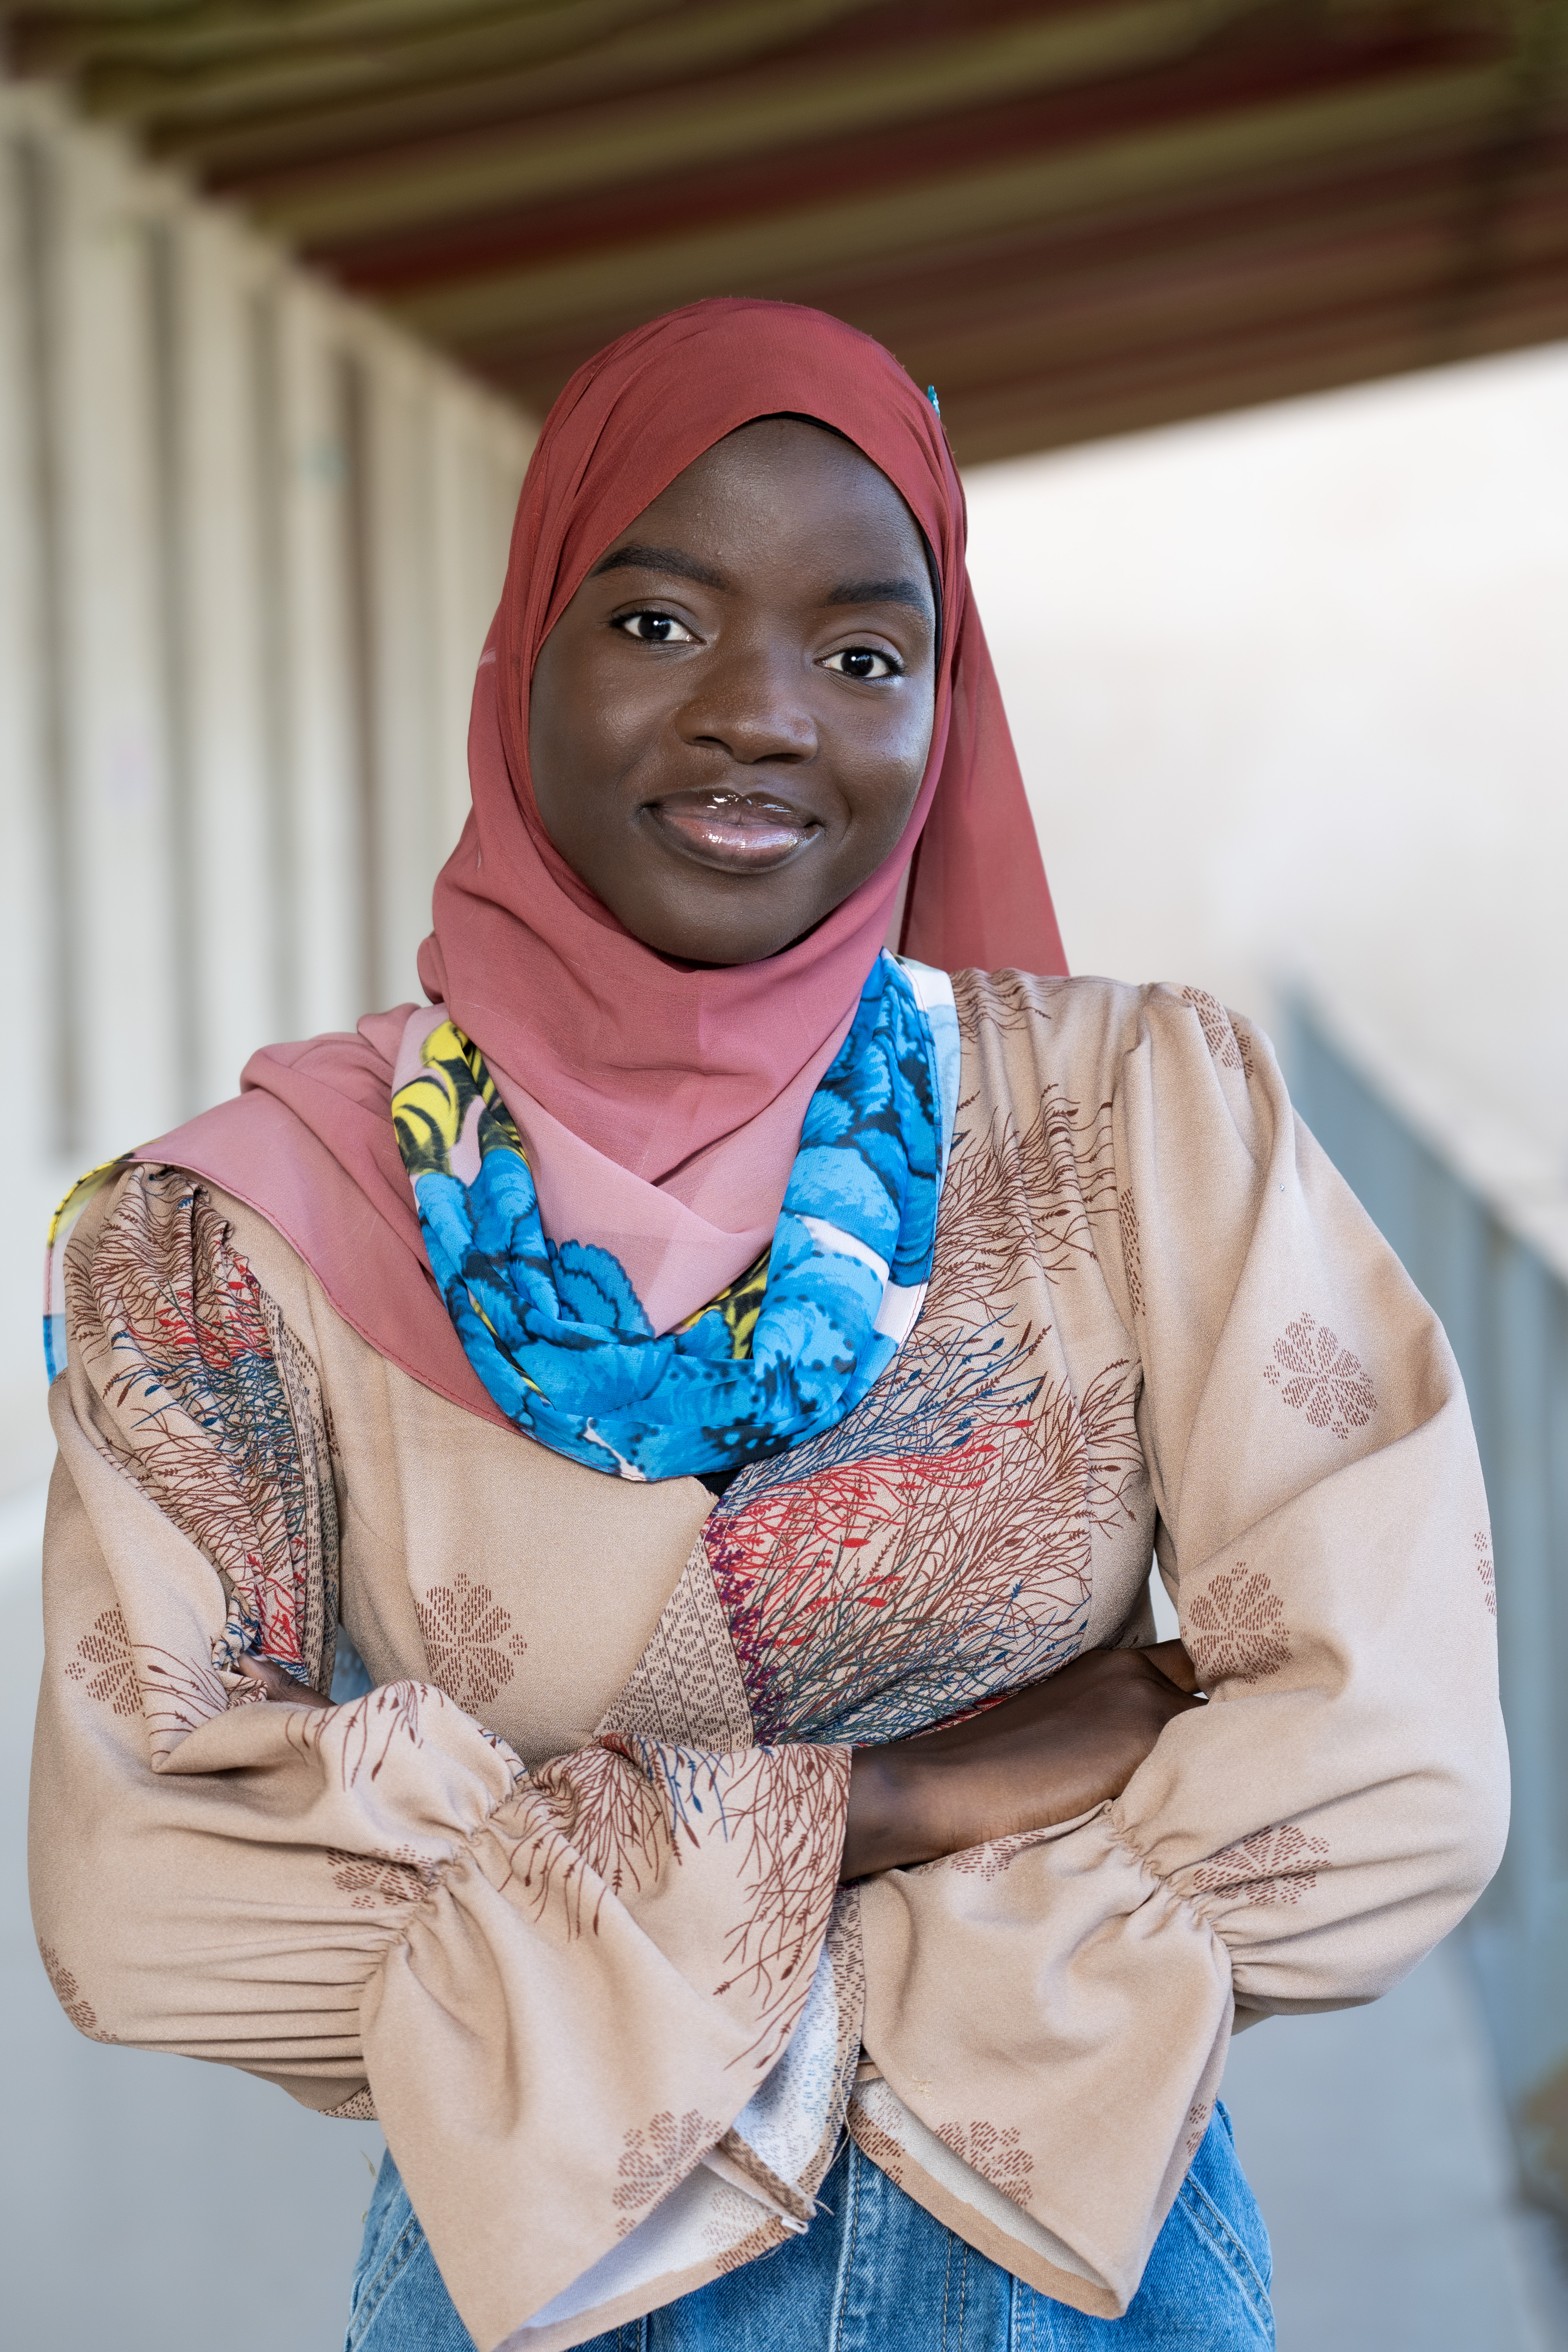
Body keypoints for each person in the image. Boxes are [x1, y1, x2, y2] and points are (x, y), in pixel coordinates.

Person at [30, 299, 1505, 2352]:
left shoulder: (1141, 1118)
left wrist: (570, 1905)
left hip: (1082, 2268)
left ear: (941, 711)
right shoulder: (242, 1230)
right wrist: (894, 1807)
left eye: (864, 653)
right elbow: (154, 1899)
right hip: (541, 2298)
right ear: (521, 647)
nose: (763, 715)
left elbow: (1390, 1775)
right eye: (655, 625)